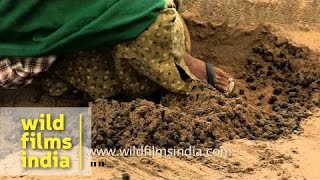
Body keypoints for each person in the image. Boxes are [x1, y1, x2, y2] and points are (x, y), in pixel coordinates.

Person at [0, 0, 234, 100]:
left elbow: (19, 71)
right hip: (159, 16)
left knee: (57, 63)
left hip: (151, 38)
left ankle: (182, 65)